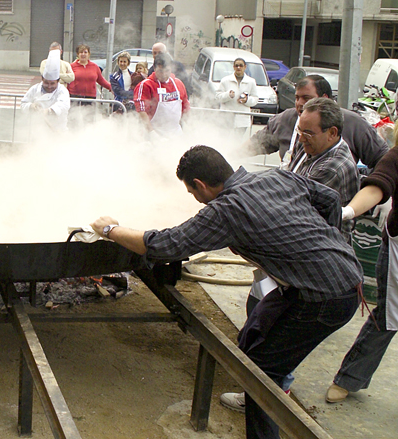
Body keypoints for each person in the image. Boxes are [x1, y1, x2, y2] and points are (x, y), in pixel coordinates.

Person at [91, 145, 362, 439]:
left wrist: (110, 230)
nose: (195, 199)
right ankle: (257, 373)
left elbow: (162, 245)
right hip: (340, 274)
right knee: (252, 333)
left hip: (326, 298)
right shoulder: (277, 178)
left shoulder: (226, 210)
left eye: (192, 193)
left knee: (260, 374)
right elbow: (331, 199)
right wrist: (322, 243)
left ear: (200, 185)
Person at [219, 97, 359, 412]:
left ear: (332, 133)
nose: (301, 139)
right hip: (293, 266)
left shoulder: (335, 167)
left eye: (308, 133)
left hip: (316, 273)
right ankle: (261, 386)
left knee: (277, 349)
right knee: (258, 319)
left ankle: (271, 394)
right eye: (299, 131)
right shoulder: (309, 149)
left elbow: (294, 211)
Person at [324, 126, 398, 404]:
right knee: (390, 315)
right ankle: (350, 377)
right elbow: (379, 184)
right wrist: (348, 211)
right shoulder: (396, 157)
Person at [248, 75, 388, 170]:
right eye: (297, 98)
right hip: (290, 199)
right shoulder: (284, 120)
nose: (300, 103)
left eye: (306, 98)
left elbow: (383, 159)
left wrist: (375, 190)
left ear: (324, 98)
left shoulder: (353, 123)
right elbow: (255, 145)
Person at [134, 52, 190, 137]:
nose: (164, 75)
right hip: (154, 134)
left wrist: (187, 125)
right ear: (154, 68)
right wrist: (151, 133)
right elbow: (142, 111)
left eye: (167, 71)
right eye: (160, 71)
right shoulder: (146, 85)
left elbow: (185, 106)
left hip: (176, 133)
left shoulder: (178, 84)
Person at [20, 49, 70, 132]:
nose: (49, 86)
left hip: (58, 130)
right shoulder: (35, 89)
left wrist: (48, 111)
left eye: (52, 83)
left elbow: (62, 106)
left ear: (58, 81)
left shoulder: (62, 91)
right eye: (46, 82)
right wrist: (31, 106)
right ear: (42, 79)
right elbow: (23, 104)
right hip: (36, 131)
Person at [216, 57, 258, 136]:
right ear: (233, 67)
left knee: (237, 141)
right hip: (226, 119)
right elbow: (218, 96)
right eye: (236, 65)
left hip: (242, 120)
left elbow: (255, 99)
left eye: (241, 65)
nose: (238, 67)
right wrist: (228, 95)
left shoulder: (251, 81)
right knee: (224, 140)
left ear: (245, 67)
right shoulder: (225, 80)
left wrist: (246, 100)